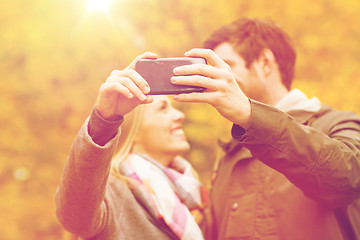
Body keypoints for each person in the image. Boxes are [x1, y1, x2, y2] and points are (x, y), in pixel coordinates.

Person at [171, 18, 360, 239]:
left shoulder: (337, 123)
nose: (217, 77)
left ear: (265, 62)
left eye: (227, 65)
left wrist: (250, 114)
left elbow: (347, 180)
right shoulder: (228, 155)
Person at [55, 52, 205, 240]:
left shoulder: (190, 192)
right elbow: (74, 219)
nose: (179, 116)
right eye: (163, 109)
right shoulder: (112, 190)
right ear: (134, 133)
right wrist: (104, 121)